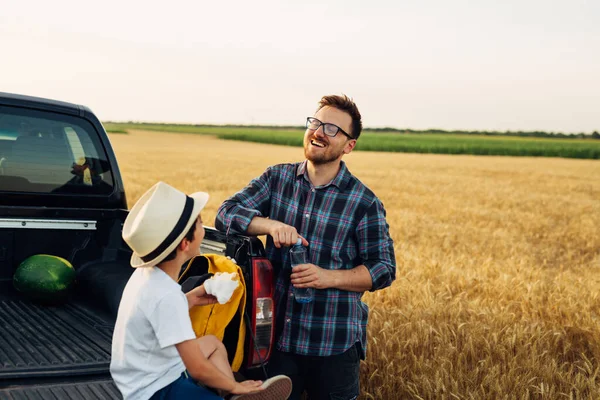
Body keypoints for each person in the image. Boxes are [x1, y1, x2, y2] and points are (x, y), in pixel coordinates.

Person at [215, 95, 396, 399]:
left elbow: (384, 269)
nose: (319, 132)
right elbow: (226, 213)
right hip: (276, 342)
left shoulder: (363, 202)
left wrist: (327, 277)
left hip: (333, 344)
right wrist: (270, 225)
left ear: (349, 145)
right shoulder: (277, 178)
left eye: (332, 129)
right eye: (315, 122)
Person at [110, 181, 292, 400]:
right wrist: (238, 386)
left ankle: (228, 393)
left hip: (138, 374)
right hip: (154, 389)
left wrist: (190, 299)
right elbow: (197, 368)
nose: (203, 226)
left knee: (213, 344)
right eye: (199, 223)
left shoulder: (147, 276)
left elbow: (157, 312)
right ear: (185, 244)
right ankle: (233, 392)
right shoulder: (166, 295)